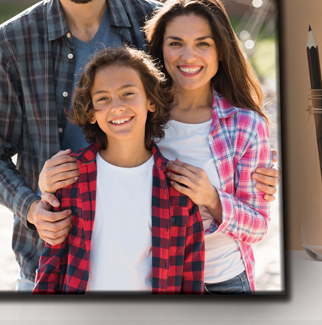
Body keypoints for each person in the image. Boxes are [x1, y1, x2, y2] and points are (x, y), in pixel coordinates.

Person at [0, 0, 278, 291]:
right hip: (49, 259)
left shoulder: (151, 23)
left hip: (148, 260)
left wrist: (258, 160)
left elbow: (206, 87)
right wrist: (31, 208)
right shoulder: (11, 41)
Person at [33, 46, 204, 294]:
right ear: (91, 114)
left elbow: (191, 278)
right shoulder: (71, 179)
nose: (117, 106)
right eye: (103, 98)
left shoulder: (177, 187)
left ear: (151, 102)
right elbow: (51, 266)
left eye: (128, 93)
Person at [144, 0, 271, 293]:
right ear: (160, 49)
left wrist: (212, 198)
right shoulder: (141, 116)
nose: (188, 57)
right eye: (176, 44)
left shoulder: (245, 125)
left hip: (224, 281)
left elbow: (258, 226)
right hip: (157, 280)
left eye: (203, 44)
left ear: (221, 50)